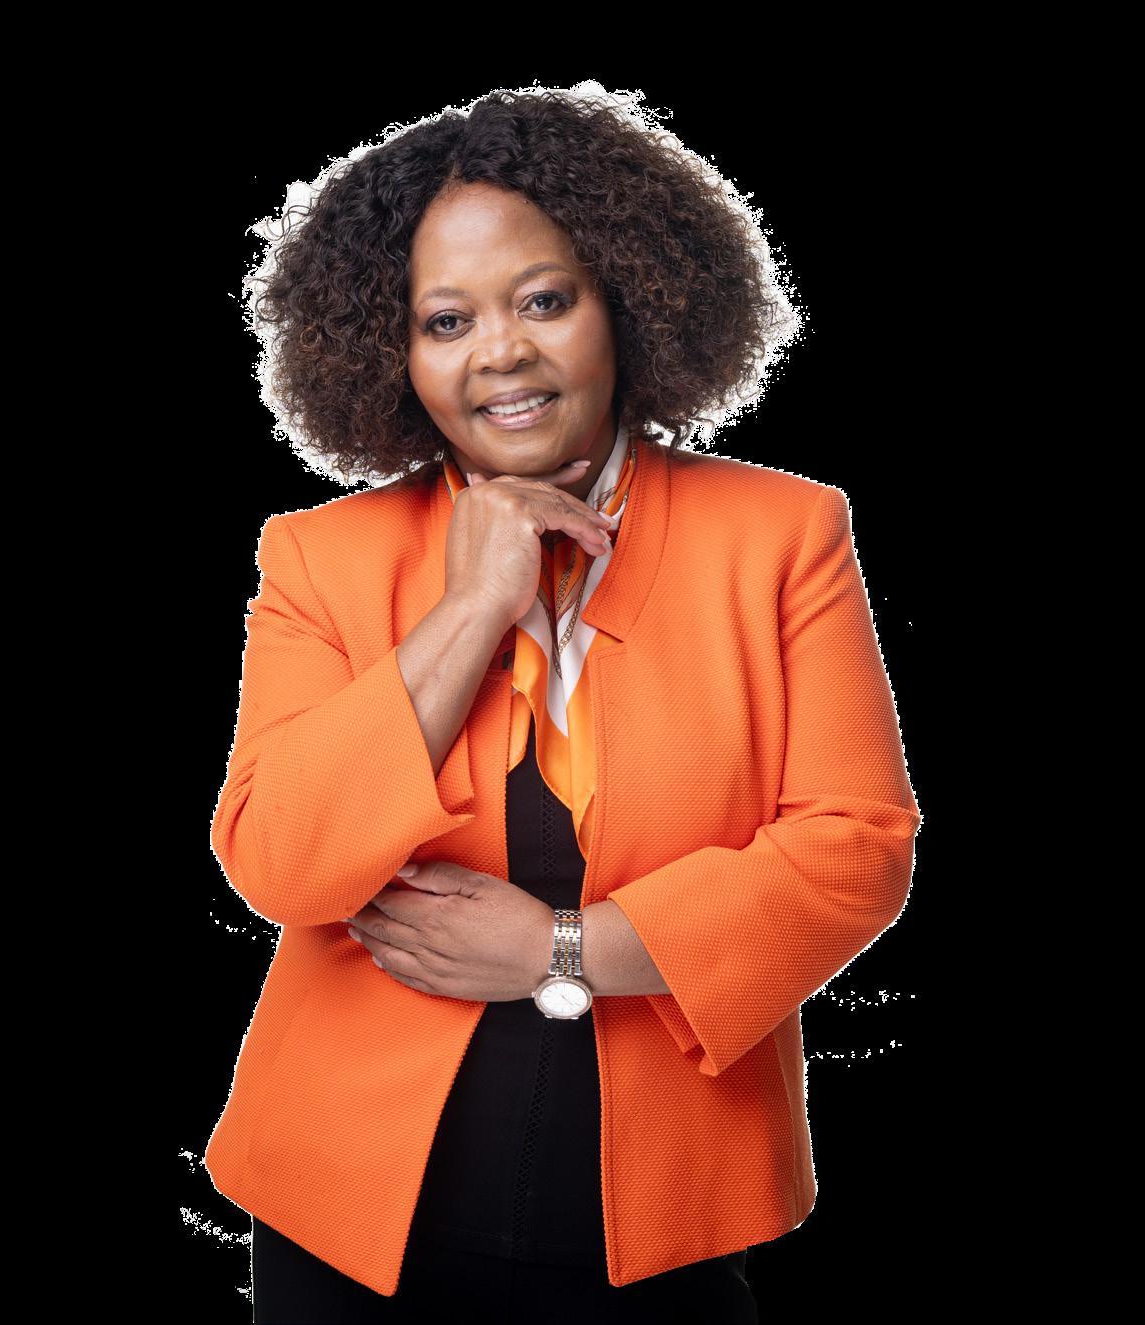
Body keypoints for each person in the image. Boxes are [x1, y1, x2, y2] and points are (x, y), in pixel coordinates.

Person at [204, 85, 921, 1323]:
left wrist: (560, 949)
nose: (500, 351)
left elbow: (854, 851)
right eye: (446, 319)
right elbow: (279, 862)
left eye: (544, 299)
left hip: (667, 1210)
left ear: (626, 302)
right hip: (343, 1216)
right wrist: (472, 605)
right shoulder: (318, 557)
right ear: (393, 352)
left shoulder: (783, 533)